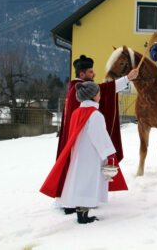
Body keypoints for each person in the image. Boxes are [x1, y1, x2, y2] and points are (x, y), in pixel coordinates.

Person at [56, 54, 138, 214]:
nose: (94, 74)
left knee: (77, 173)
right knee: (85, 175)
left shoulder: (76, 90)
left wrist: (127, 79)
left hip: (78, 146)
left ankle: (72, 202)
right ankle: (79, 205)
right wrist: (127, 78)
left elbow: (103, 90)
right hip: (87, 148)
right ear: (82, 74)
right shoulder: (80, 92)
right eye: (91, 72)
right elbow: (104, 91)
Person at [41, 82, 117, 224]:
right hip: (91, 155)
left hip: (78, 154)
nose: (100, 96)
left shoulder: (76, 112)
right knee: (88, 183)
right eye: (99, 93)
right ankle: (83, 215)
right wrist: (107, 154)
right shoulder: (95, 115)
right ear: (94, 96)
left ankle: (81, 213)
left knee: (80, 182)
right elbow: (99, 137)